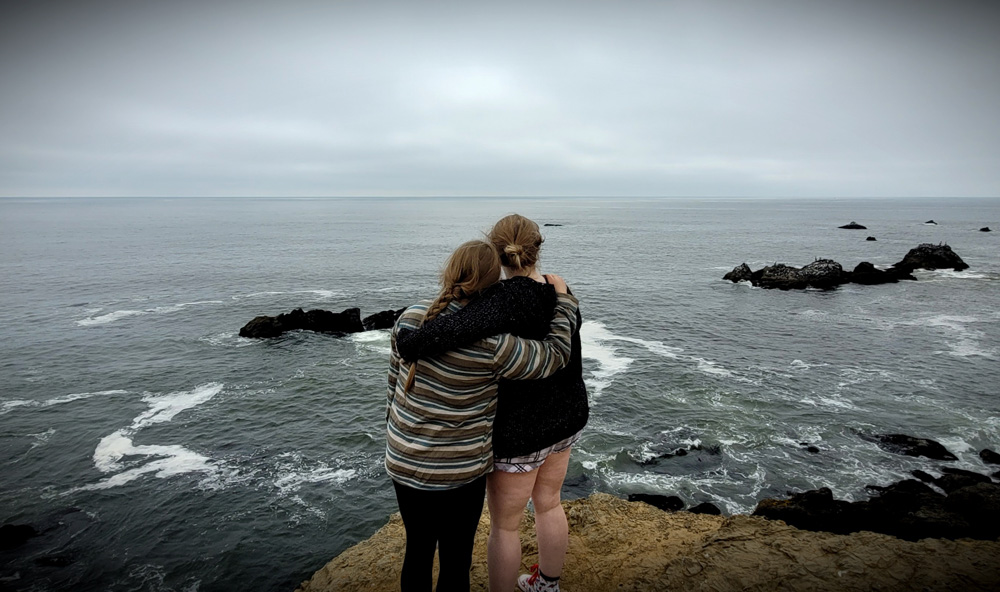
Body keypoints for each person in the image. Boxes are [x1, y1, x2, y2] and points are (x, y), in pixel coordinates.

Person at [397, 215, 587, 592]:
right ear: (537, 249)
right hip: (565, 419)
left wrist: (411, 342)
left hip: (519, 432)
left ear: (496, 254)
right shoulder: (560, 292)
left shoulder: (500, 301)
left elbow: (452, 331)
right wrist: (565, 298)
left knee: (506, 526)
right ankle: (548, 584)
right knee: (550, 503)